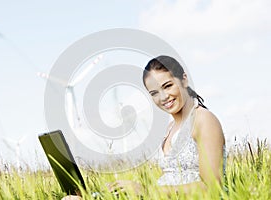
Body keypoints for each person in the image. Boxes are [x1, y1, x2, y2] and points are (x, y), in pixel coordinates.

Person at [62, 55, 226, 199]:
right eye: (154, 93)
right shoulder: (171, 128)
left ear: (184, 79)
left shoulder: (203, 120)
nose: (163, 97)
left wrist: (146, 191)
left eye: (167, 86)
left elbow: (212, 187)